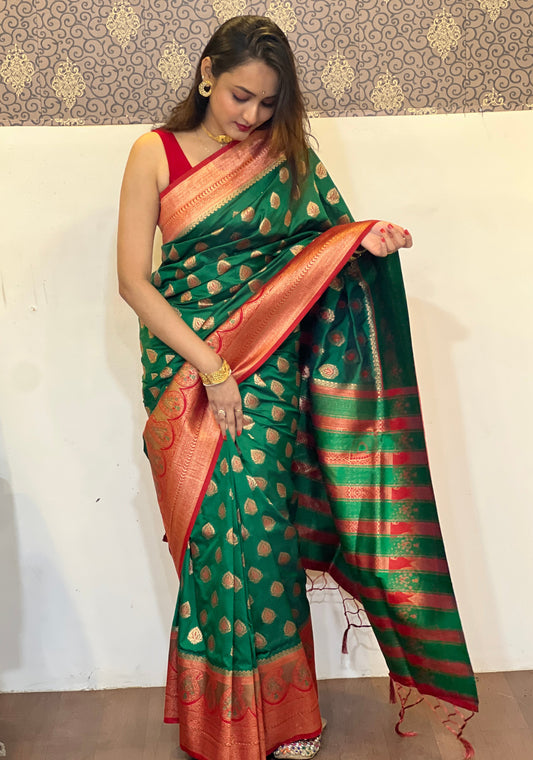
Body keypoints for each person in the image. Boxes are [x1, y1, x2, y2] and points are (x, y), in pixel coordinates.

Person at [117, 15, 477, 760]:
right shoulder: (154, 152)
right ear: (208, 73)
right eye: (240, 96)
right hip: (185, 371)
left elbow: (316, 251)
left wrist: (361, 241)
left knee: (263, 537)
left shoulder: (285, 156)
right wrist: (211, 368)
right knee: (213, 544)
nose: (251, 115)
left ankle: (286, 719)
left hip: (267, 367)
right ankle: (219, 722)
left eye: (267, 103)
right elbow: (133, 282)